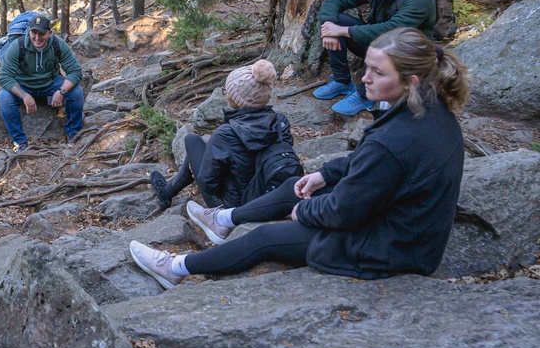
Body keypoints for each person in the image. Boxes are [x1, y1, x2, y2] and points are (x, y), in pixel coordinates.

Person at [130, 27, 469, 288]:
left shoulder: (397, 137)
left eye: (378, 73)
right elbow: (372, 166)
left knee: (265, 239)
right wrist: (325, 176)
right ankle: (226, 218)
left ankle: (175, 268)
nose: (364, 78)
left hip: (390, 248)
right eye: (367, 67)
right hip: (402, 226)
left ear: (409, 81)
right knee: (296, 183)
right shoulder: (429, 109)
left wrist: (306, 211)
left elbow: (344, 210)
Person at [150, 59, 296, 211]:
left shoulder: (226, 134)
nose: (225, 92)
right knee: (206, 156)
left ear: (238, 99)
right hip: (270, 195)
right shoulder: (280, 122)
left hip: (231, 205)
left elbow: (208, 183)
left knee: (191, 140)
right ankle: (167, 192)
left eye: (228, 90)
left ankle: (166, 193)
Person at [313, 0, 437, 116]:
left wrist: (343, 31)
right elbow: (334, 0)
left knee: (384, 44)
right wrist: (329, 28)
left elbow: (393, 31)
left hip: (407, 53)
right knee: (337, 20)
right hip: (378, 42)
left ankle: (365, 96)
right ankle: (342, 81)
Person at [0, 15, 85, 152]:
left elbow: (75, 71)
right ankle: (20, 142)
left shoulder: (58, 44)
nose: (37, 38)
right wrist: (24, 95)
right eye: (34, 33)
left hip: (51, 83)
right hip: (24, 84)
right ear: (29, 32)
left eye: (42, 34)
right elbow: (4, 76)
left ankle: (73, 132)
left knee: (76, 92)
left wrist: (61, 91)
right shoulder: (18, 46)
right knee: (4, 97)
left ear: (50, 33)